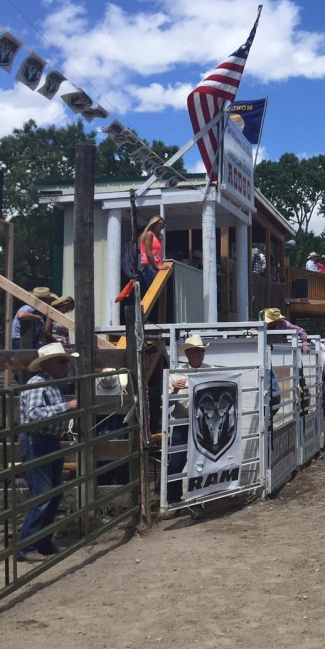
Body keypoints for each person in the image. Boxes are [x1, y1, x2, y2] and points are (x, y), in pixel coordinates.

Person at [16, 342, 80, 563]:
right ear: (49, 363)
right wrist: (66, 407)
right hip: (37, 441)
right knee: (42, 494)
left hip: (48, 441)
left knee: (53, 493)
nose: (65, 365)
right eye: (62, 361)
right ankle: (27, 546)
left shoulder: (51, 384)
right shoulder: (37, 384)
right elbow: (33, 415)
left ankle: (41, 541)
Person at [167, 334, 212, 503]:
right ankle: (174, 499)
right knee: (176, 463)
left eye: (201, 351)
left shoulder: (211, 370)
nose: (199, 355)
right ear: (187, 354)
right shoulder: (176, 375)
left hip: (205, 423)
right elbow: (166, 401)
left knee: (205, 461)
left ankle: (202, 496)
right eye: (196, 352)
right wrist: (175, 390)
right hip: (183, 422)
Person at [138, 215, 165, 294]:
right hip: (149, 265)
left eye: (163, 227)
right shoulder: (149, 234)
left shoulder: (156, 236)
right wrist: (156, 267)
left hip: (154, 265)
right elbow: (148, 252)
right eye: (160, 226)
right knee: (152, 291)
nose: (162, 229)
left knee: (157, 291)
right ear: (154, 224)